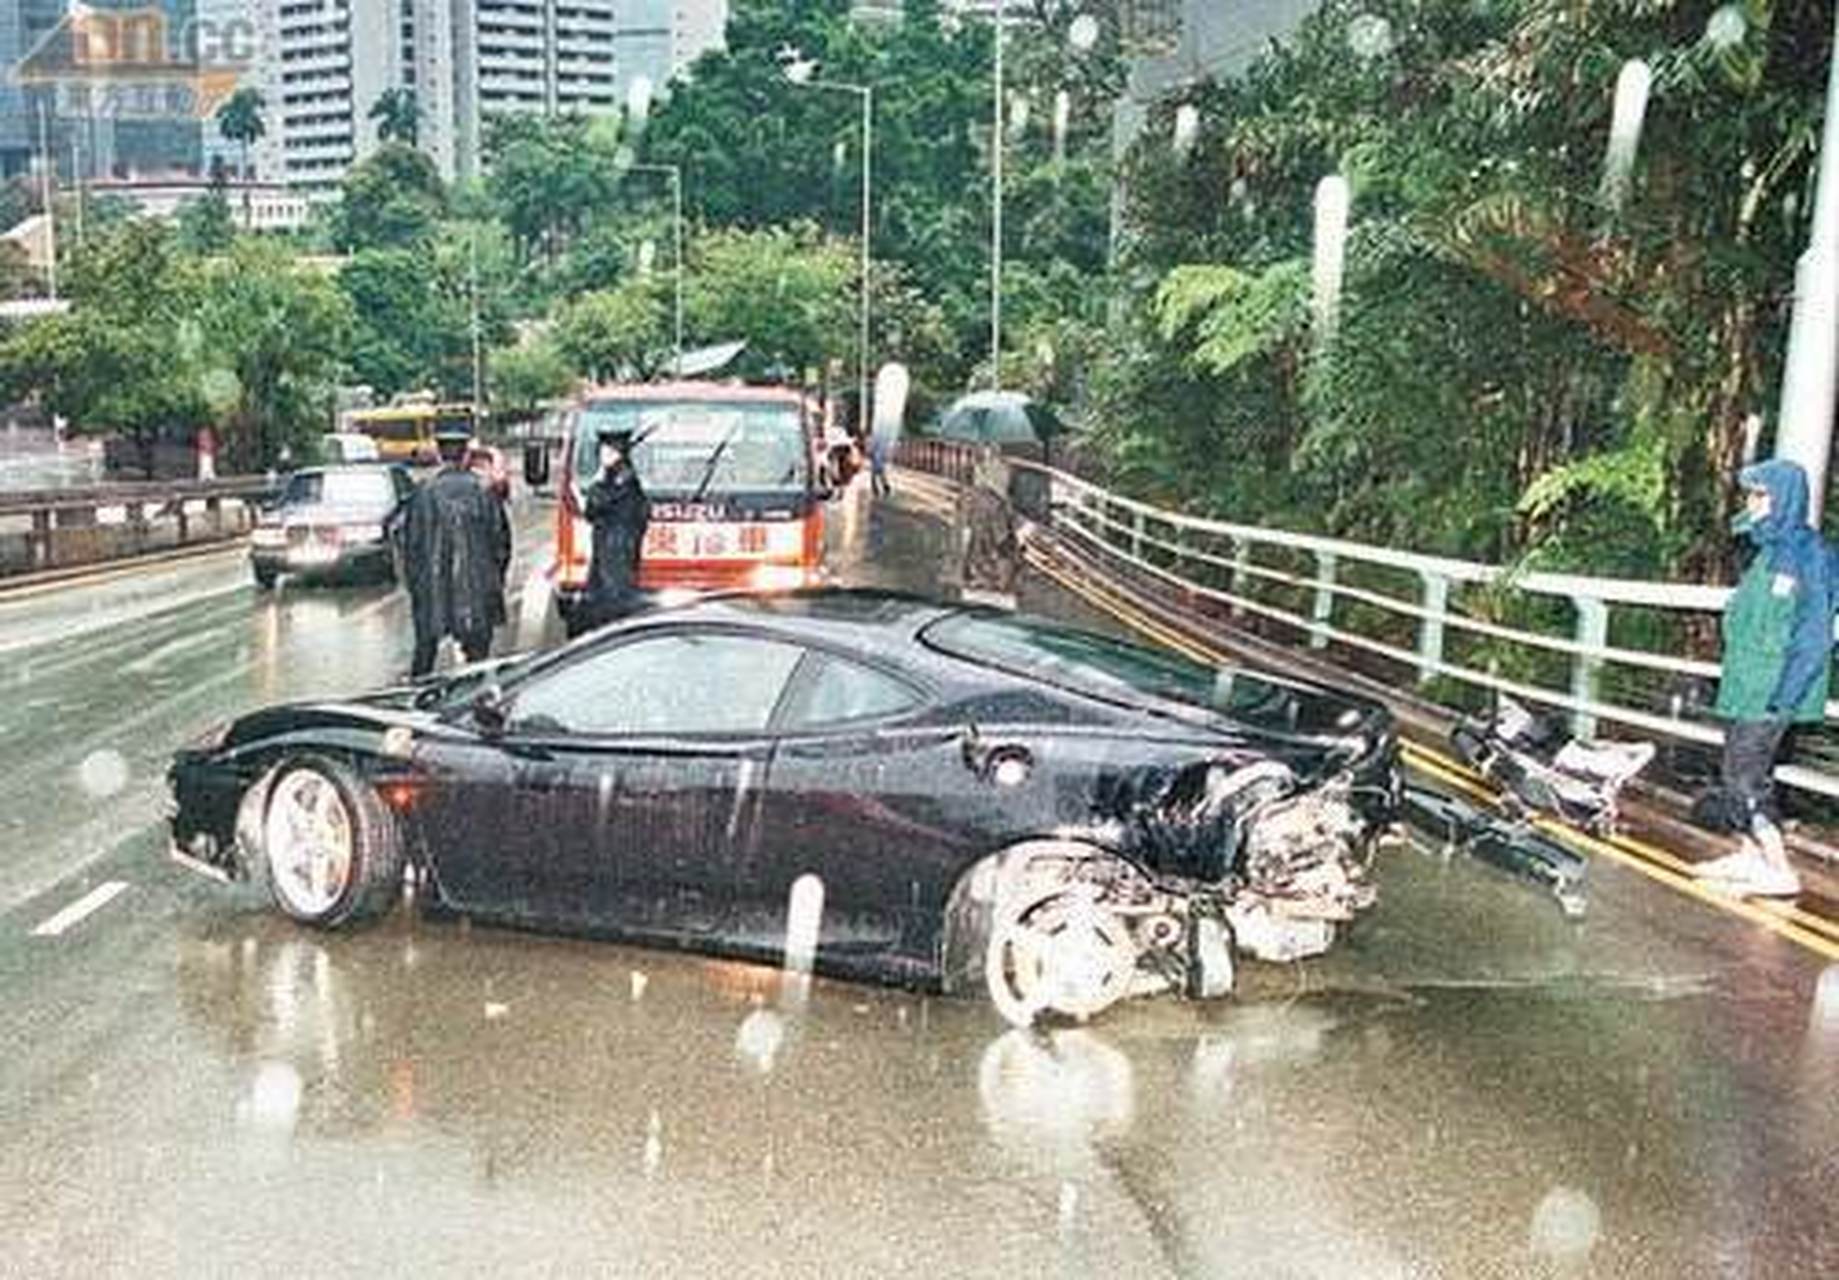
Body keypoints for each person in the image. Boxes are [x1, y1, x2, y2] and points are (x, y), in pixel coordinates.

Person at [1692, 458, 1831, 898]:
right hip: (1747, 685)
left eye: (1760, 495)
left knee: (1746, 778)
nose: (1751, 504)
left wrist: (1783, 697)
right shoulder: (1769, 549)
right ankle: (1750, 854)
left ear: (1784, 498)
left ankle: (1777, 866)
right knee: (1736, 767)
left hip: (1771, 690)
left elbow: (1814, 634)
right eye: (1750, 495)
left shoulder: (1809, 555)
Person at [402, 427, 512, 678]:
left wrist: (418, 589)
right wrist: (494, 581)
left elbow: (412, 548)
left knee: (424, 659)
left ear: (440, 455)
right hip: (478, 590)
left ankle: (416, 706)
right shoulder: (484, 492)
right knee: (479, 663)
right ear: (466, 456)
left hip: (434, 593)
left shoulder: (423, 494)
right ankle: (478, 705)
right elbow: (502, 544)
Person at [573, 425, 650, 635]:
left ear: (618, 453)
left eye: (606, 451)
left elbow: (593, 507)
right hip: (609, 555)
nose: (602, 456)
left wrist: (597, 481)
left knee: (611, 610)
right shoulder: (618, 479)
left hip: (615, 557)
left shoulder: (622, 482)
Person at [957, 449, 1019, 606]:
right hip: (993, 583)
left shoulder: (970, 498)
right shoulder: (996, 504)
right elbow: (1003, 541)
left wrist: (963, 570)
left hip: (977, 580)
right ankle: (993, 581)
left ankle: (983, 579)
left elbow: (965, 537)